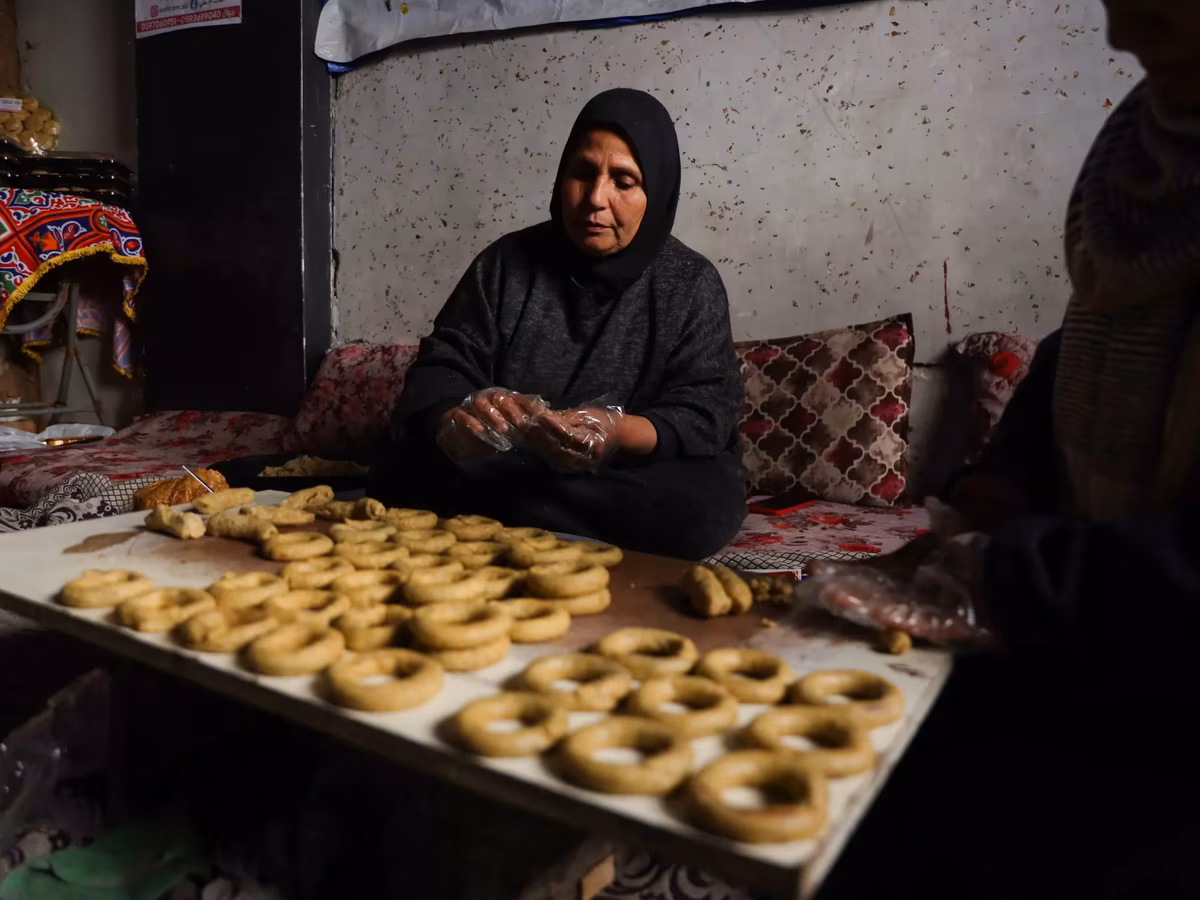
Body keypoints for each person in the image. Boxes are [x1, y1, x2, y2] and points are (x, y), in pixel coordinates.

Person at [809, 2, 1200, 897]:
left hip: (1171, 683)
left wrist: (1011, 578)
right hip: (1090, 631)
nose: (1121, 34)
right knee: (868, 774)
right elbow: (1090, 350)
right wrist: (995, 490)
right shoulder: (1146, 173)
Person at [370, 89, 747, 559]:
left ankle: (514, 516)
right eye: (583, 173)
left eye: (624, 181)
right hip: (509, 462)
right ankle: (533, 513)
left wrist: (613, 431)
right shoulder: (505, 265)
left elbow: (706, 410)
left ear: (657, 192)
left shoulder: (690, 283)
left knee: (698, 504)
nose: (595, 199)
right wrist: (462, 416)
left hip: (627, 474)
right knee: (403, 462)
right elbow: (443, 366)